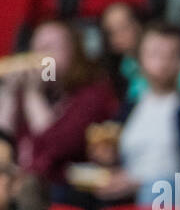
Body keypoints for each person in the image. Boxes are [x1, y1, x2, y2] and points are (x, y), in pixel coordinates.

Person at [0, 19, 119, 193]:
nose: (41, 57)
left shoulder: (93, 95)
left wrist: (34, 95)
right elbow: (4, 140)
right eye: (37, 49)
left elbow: (57, 146)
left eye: (50, 49)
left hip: (63, 189)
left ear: (74, 52)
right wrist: (10, 93)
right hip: (20, 185)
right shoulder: (33, 92)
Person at [94, 22, 180, 205]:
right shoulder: (127, 109)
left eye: (170, 55)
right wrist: (107, 159)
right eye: (154, 54)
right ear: (140, 58)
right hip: (126, 194)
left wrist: (138, 183)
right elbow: (115, 162)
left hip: (173, 195)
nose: (162, 62)